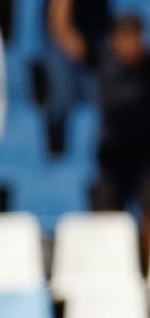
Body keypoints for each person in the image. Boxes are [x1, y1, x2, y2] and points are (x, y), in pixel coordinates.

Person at [93, 14, 150, 253]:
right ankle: (108, 263)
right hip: (113, 154)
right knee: (107, 213)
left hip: (145, 155)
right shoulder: (102, 62)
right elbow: (66, 38)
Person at [43, 0, 111, 153]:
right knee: (62, 99)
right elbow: (58, 13)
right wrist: (66, 35)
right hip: (66, 37)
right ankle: (58, 153)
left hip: (96, 34)